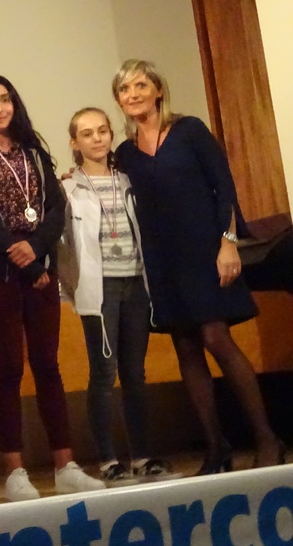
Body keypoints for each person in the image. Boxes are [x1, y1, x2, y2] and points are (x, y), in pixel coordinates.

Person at [111, 59, 286, 473]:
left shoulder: (189, 130)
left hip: (205, 252)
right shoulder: (124, 153)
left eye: (140, 85)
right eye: (124, 89)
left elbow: (223, 186)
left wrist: (228, 243)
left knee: (216, 337)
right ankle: (215, 448)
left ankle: (267, 438)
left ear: (158, 90)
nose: (133, 94)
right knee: (186, 348)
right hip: (161, 261)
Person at [0, 74, 105, 502]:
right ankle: (14, 470)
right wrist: (26, 260)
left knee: (48, 364)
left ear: (14, 103)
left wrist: (36, 252)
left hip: (40, 267)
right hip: (1, 272)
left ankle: (65, 465)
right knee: (10, 366)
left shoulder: (33, 151)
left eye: (4, 99)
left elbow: (55, 207)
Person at [59, 107, 178, 486]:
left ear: (112, 134)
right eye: (87, 133)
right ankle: (108, 459)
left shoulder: (128, 180)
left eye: (102, 131)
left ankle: (141, 456)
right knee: (103, 372)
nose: (97, 138)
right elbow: (62, 246)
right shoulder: (67, 188)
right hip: (100, 288)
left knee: (135, 373)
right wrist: (69, 287)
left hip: (136, 282)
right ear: (74, 142)